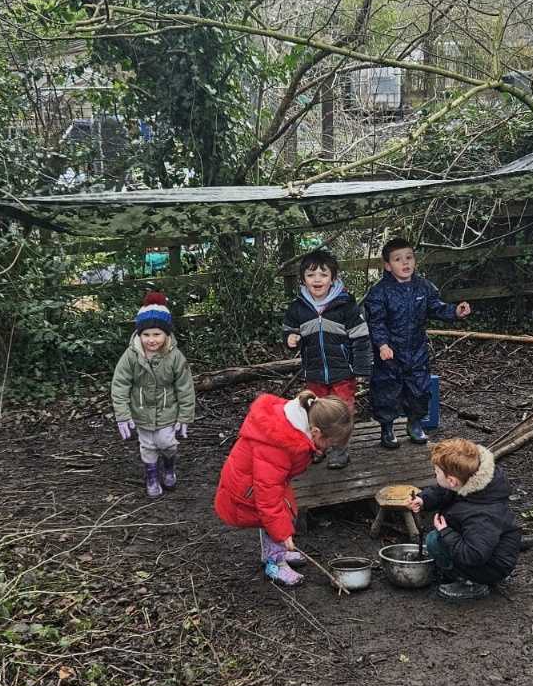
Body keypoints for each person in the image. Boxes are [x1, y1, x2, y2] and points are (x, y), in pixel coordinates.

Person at [214, 389, 355, 586]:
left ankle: (276, 552)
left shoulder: (298, 421)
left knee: (287, 513)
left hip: (262, 482)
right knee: (275, 519)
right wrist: (282, 534)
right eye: (328, 443)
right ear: (315, 431)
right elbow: (268, 498)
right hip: (247, 490)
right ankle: (274, 565)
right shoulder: (277, 445)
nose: (327, 448)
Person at [363, 237, 471, 449]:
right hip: (390, 352)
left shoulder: (423, 287)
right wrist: (382, 344)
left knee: (419, 387)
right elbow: (376, 322)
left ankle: (415, 423)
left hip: (416, 349)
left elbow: (436, 307)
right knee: (387, 389)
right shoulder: (380, 292)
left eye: (409, 257)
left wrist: (455, 312)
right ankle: (387, 428)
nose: (405, 263)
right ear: (388, 265)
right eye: (398, 259)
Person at [281, 246, 371, 469]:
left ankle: (339, 451)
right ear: (303, 280)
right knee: (315, 411)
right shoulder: (298, 307)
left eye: (323, 274)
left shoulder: (345, 304)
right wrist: (291, 339)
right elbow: (289, 330)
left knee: (341, 412)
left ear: (332, 278)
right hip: (314, 372)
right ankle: (318, 447)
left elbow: (361, 337)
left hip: (343, 372)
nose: (317, 279)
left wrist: (361, 368)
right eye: (311, 275)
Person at [409, 437, 521, 600]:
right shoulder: (474, 481)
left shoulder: (481, 516)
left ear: (452, 480)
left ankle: (473, 583)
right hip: (481, 546)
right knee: (438, 538)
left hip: (490, 566)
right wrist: (424, 499)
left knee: (434, 541)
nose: (435, 474)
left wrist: (446, 532)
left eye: (437, 472)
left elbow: (474, 555)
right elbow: (444, 491)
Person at [110, 292, 195, 500]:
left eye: (157, 334)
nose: (151, 339)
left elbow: (185, 387)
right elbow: (120, 385)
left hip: (168, 411)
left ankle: (169, 468)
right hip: (141, 412)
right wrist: (122, 415)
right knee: (147, 446)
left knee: (167, 443)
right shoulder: (131, 356)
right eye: (146, 334)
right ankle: (152, 477)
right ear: (140, 334)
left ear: (166, 334)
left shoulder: (175, 357)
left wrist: (185, 416)